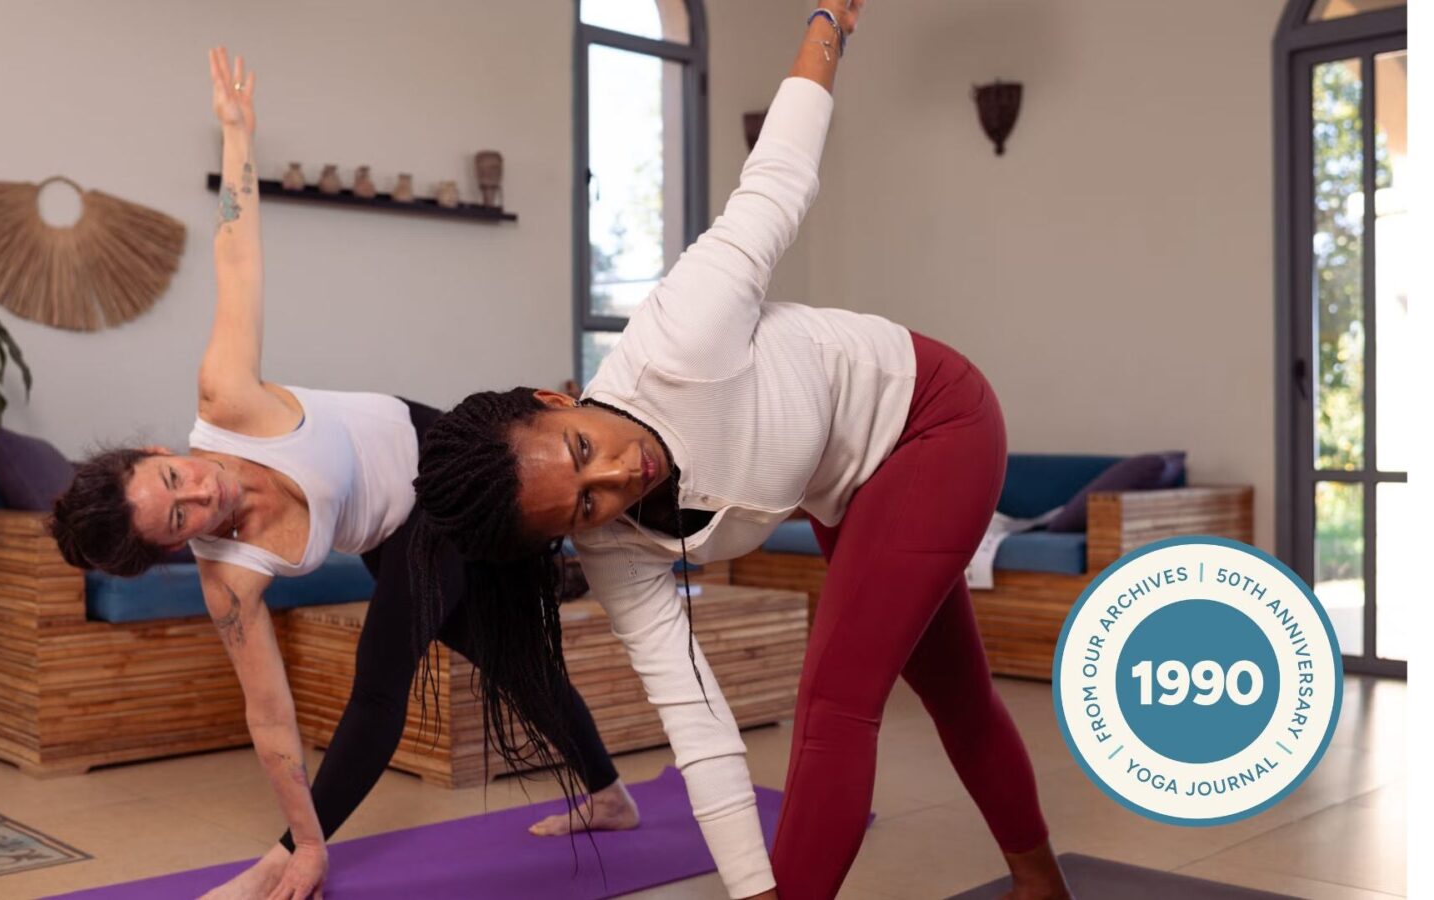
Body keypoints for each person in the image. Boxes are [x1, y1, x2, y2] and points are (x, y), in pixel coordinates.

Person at [408, 6, 1073, 899]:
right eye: (583, 507)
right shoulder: (617, 552)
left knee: (835, 701)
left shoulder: (680, 338)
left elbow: (779, 177)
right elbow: (697, 722)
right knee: (956, 694)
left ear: (556, 399)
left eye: (582, 449)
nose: (615, 479)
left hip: (934, 419)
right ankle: (1045, 888)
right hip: (855, 489)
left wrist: (830, 19)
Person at [47, 47, 636, 900]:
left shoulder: (228, 398)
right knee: (506, 650)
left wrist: (237, 136)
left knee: (380, 682)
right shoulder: (229, 583)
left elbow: (237, 260)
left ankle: (287, 856)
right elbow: (270, 717)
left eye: (173, 478)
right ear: (175, 549)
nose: (198, 495)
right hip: (393, 528)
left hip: (444, 465)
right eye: (176, 520)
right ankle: (611, 796)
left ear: (159, 452)